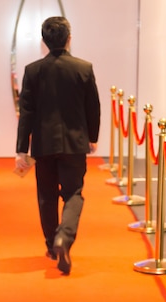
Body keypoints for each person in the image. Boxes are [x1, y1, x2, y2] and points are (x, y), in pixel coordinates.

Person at [15, 16, 101, 275]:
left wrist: (22, 148)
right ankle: (65, 236)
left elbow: (26, 111)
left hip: (43, 143)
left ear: (43, 41)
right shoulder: (83, 68)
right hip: (74, 143)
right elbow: (93, 107)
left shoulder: (32, 71)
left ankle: (52, 245)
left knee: (46, 196)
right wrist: (92, 137)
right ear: (69, 39)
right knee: (74, 193)